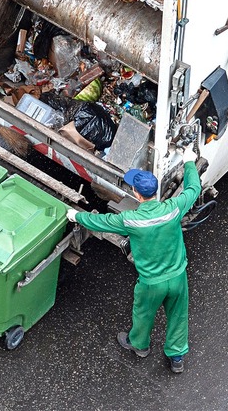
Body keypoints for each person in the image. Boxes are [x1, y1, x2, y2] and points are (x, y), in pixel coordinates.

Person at [66, 145, 201, 373]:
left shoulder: (130, 220)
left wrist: (76, 215)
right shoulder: (174, 208)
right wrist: (189, 162)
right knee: (178, 316)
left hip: (151, 282)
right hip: (178, 277)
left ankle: (139, 346)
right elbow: (194, 188)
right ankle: (177, 357)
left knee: (143, 313)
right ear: (155, 191)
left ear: (137, 195)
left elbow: (101, 222)